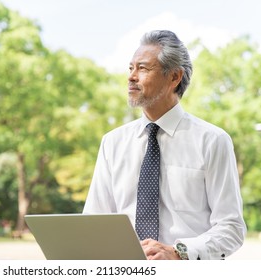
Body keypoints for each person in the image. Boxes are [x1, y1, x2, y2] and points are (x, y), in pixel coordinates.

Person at [83, 30, 246, 260]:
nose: (131, 77)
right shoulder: (112, 143)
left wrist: (179, 253)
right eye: (131, 68)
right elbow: (94, 221)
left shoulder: (212, 141)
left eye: (143, 68)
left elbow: (232, 228)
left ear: (174, 77)